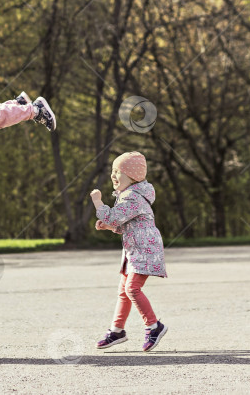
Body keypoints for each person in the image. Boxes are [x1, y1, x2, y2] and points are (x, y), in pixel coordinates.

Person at [90, 151, 168, 352]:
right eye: (113, 171)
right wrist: (110, 227)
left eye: (118, 172)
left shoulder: (133, 197)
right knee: (123, 291)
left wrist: (99, 203)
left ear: (132, 176)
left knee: (132, 289)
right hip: (135, 251)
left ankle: (154, 326)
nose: (113, 176)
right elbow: (127, 224)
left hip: (144, 251)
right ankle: (117, 330)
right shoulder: (130, 195)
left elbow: (115, 217)